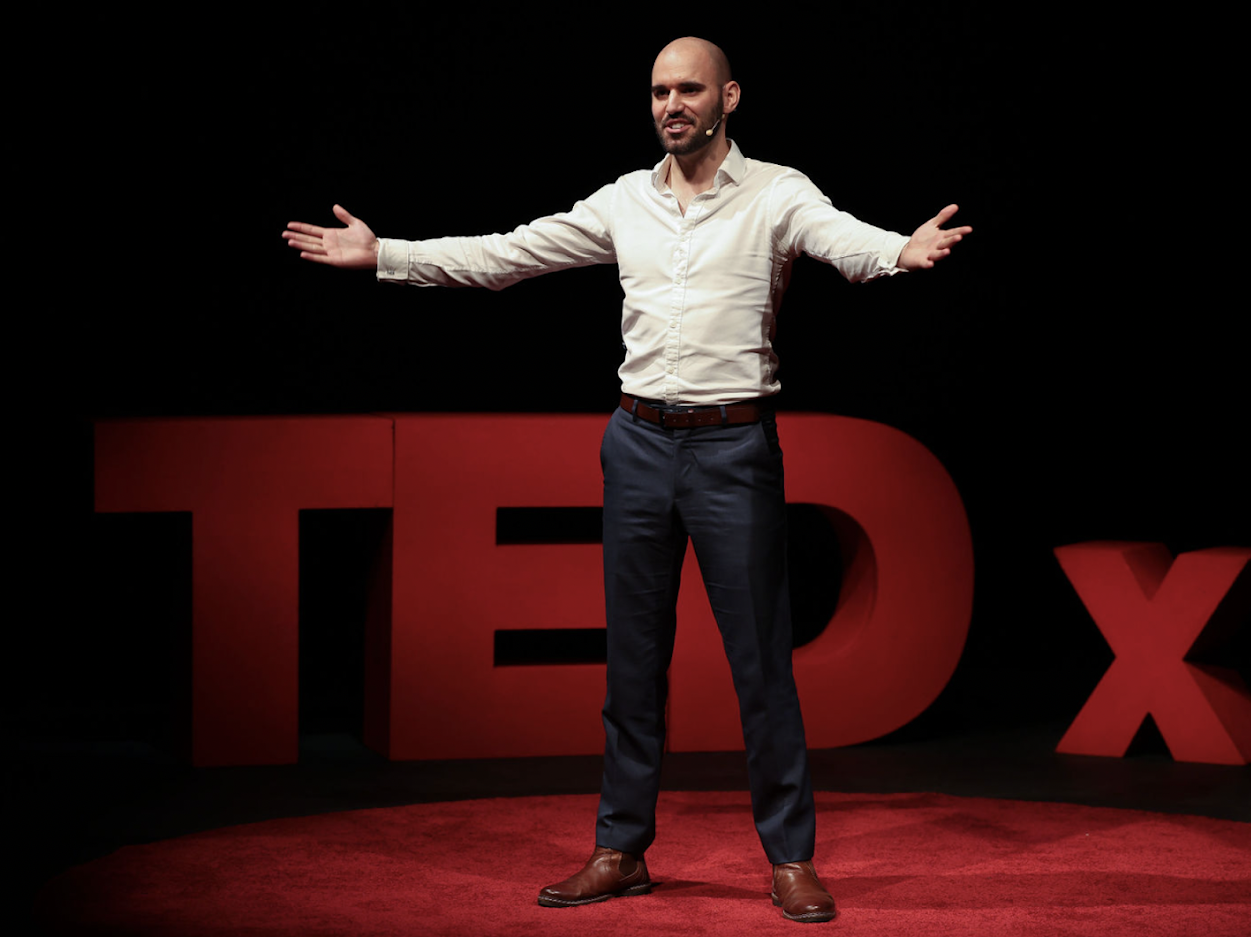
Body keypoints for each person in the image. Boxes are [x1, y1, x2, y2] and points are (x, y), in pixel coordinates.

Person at [283, 36, 970, 924]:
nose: (669, 105)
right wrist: (385, 256)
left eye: (688, 89)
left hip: (733, 448)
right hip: (637, 442)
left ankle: (790, 855)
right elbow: (507, 255)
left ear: (729, 97)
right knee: (632, 661)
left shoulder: (776, 192)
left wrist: (898, 251)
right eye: (657, 92)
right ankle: (621, 848)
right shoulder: (623, 200)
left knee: (759, 659)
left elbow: (842, 240)